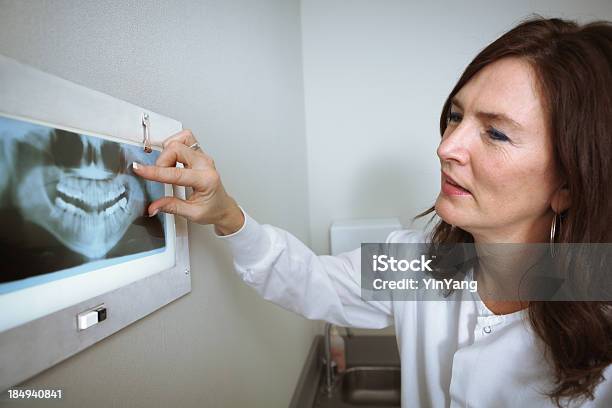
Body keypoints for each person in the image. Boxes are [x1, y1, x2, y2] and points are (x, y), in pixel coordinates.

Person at [133, 16, 612, 407]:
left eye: (497, 133)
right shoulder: (424, 263)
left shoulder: (601, 321)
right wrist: (226, 213)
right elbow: (309, 281)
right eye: (456, 116)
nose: (447, 147)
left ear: (568, 185)